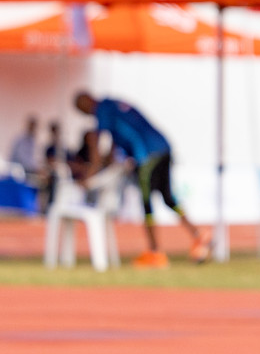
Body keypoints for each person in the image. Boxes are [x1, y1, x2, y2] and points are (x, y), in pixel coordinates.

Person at [74, 92, 210, 266]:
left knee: (146, 202)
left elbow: (98, 146)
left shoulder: (102, 110)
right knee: (168, 198)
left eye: (83, 110)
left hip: (146, 154)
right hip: (162, 147)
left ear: (86, 103)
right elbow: (116, 142)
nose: (88, 115)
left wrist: (91, 175)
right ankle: (198, 234)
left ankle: (155, 252)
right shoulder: (114, 103)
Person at [8, 116, 39, 182]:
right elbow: (22, 158)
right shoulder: (21, 139)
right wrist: (35, 168)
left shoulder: (32, 140)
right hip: (19, 170)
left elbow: (33, 157)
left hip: (27, 170)